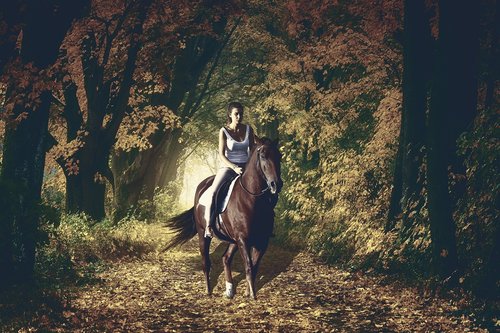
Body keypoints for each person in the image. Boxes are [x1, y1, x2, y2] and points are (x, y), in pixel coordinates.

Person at [203, 101, 256, 238]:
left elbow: (252, 151)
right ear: (230, 115)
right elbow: (221, 154)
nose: (239, 116)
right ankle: (209, 225)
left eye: (241, 114)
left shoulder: (249, 130)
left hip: (246, 167)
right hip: (228, 167)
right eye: (236, 114)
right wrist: (234, 167)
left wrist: (249, 166)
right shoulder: (224, 131)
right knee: (214, 192)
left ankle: (265, 223)